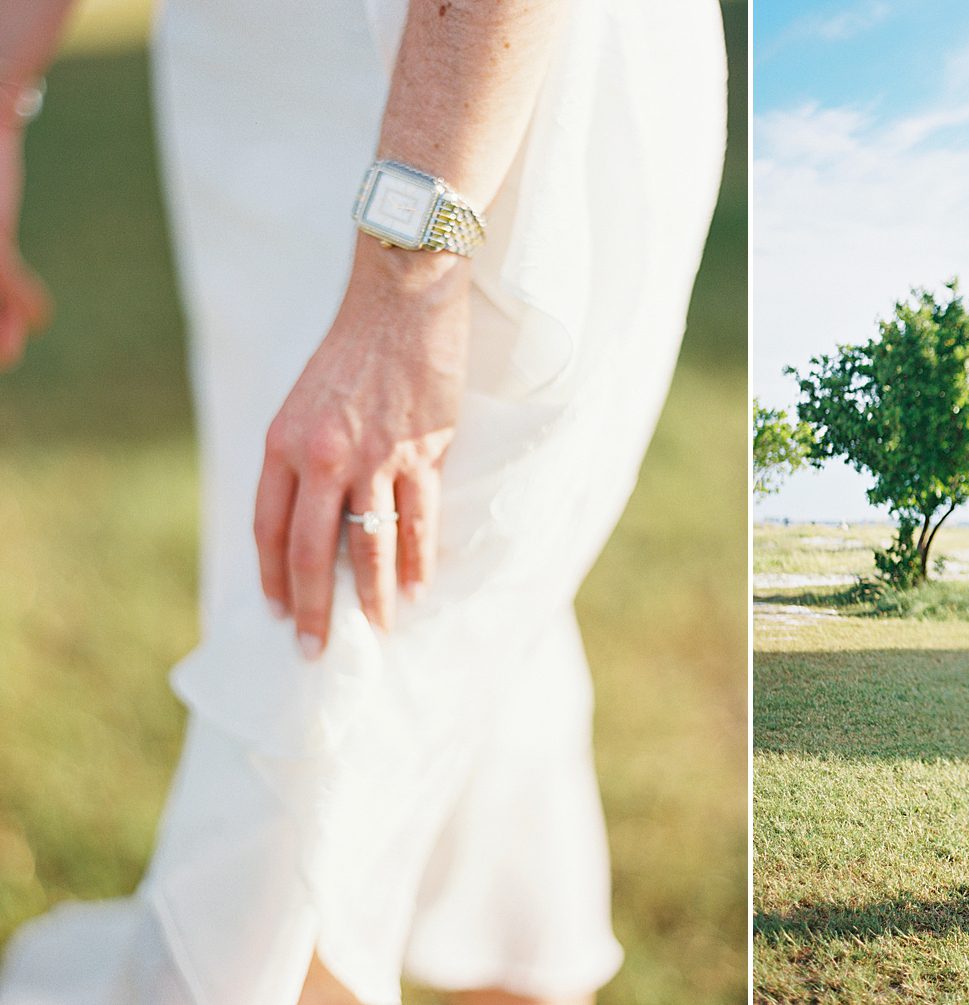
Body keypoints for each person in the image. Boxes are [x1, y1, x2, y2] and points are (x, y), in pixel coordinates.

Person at [0, 0, 726, 1002]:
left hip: (463, 84)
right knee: (452, 632)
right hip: (251, 82)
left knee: (348, 629)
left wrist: (407, 281)